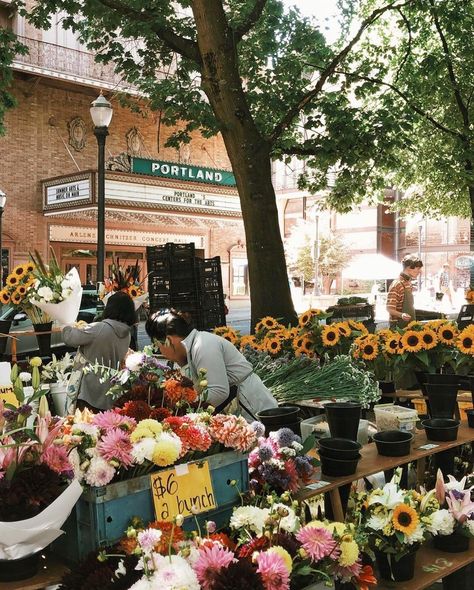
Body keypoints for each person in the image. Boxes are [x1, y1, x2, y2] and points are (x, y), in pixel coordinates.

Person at [145, 309, 278, 421]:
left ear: (169, 340)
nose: (160, 351)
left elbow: (218, 391)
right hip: (238, 409)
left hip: (251, 407)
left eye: (158, 345)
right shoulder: (192, 347)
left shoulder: (203, 345)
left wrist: (183, 411)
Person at [63, 291, 136, 411]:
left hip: (89, 391)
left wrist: (66, 325)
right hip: (111, 390)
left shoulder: (100, 328)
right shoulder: (127, 334)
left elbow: (69, 338)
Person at [386, 254, 423, 327]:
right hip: (398, 328)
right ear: (409, 268)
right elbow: (389, 308)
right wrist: (401, 315)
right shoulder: (397, 284)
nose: (420, 271)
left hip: (409, 326)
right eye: (418, 268)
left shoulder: (408, 283)